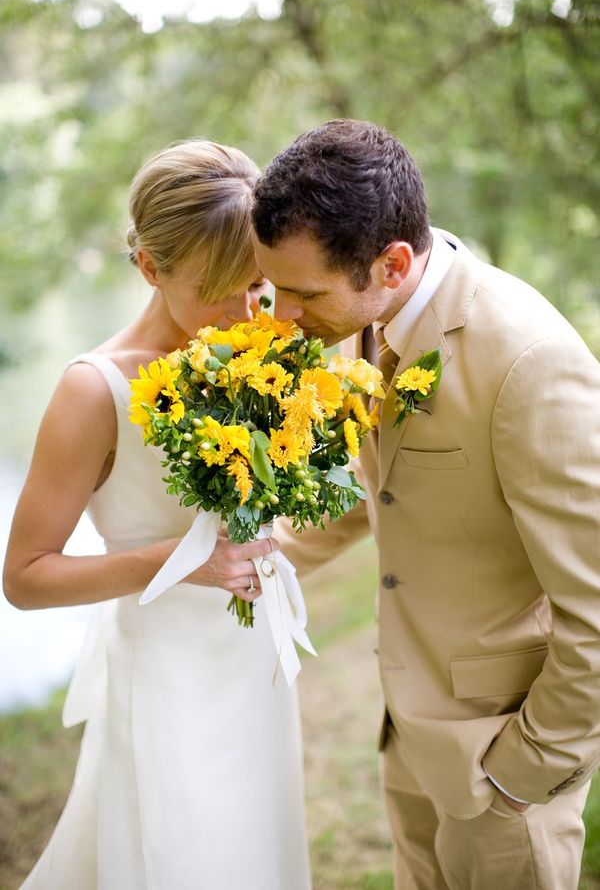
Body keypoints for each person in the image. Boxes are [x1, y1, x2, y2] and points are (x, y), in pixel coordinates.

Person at [251, 119, 600, 890]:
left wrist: (524, 773)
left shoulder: (530, 363)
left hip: (500, 759)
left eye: (302, 294)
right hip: (408, 734)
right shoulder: (368, 318)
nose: (283, 317)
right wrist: (259, 559)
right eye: (276, 290)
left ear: (393, 262)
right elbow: (384, 486)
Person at [3, 140, 312, 890]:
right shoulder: (92, 391)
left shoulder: (259, 346)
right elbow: (24, 578)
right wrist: (184, 562)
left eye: (260, 288)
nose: (247, 312)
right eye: (221, 289)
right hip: (168, 677)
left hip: (255, 666)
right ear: (149, 267)